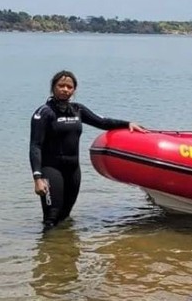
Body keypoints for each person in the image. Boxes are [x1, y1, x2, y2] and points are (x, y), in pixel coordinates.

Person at [29, 70, 146, 230]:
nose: (65, 89)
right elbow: (35, 146)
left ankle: (65, 252)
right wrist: (37, 178)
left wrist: (127, 124)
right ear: (53, 88)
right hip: (51, 169)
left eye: (69, 86)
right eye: (61, 85)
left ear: (74, 90)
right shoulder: (44, 113)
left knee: (65, 215)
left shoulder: (78, 110)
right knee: (51, 217)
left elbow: (102, 122)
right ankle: (46, 251)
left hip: (73, 170)